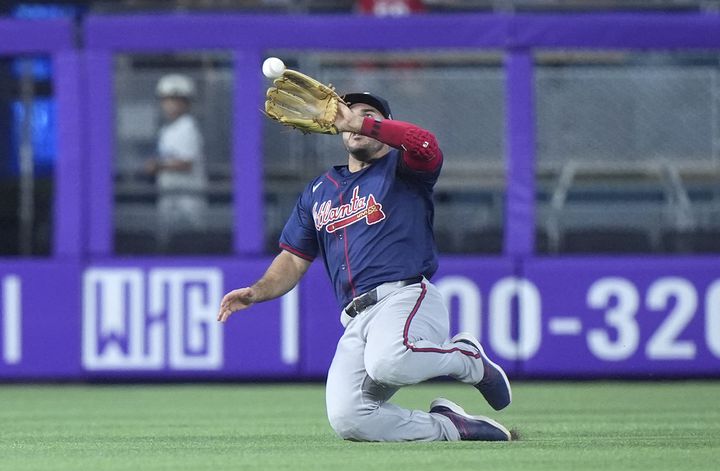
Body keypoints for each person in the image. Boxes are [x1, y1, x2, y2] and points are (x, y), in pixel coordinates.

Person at [218, 92, 513, 442]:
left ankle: (468, 359)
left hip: (405, 299)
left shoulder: (404, 169)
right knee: (349, 417)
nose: (352, 119)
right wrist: (256, 291)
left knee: (388, 362)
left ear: (383, 126)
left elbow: (425, 143)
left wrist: (359, 122)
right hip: (356, 318)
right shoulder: (318, 191)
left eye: (367, 114)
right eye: (348, 113)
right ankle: (452, 427)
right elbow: (294, 260)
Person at [145, 74, 208, 248]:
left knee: (190, 242)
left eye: (176, 99)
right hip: (169, 195)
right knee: (168, 241)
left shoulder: (188, 127)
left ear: (186, 102)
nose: (170, 104)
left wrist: (157, 165)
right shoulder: (168, 129)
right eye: (166, 99)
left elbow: (186, 163)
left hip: (188, 198)